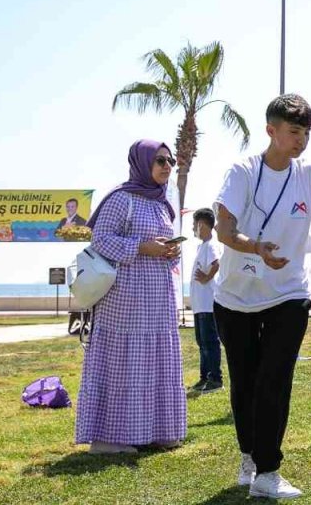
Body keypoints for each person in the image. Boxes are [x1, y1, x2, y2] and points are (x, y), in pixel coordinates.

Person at [212, 94, 311, 500]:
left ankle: (268, 471)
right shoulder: (242, 172)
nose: (301, 140)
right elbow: (223, 230)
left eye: (305, 133)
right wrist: (256, 249)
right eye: (293, 132)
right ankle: (248, 457)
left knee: (275, 378)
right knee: (245, 381)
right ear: (271, 130)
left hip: (289, 293)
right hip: (235, 296)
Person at [75, 140, 185, 454]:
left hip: (157, 299)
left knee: (156, 363)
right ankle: (109, 439)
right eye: (160, 160)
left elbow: (162, 246)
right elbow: (100, 239)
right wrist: (141, 247)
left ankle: (156, 431)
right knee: (123, 366)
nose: (167, 166)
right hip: (125, 300)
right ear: (142, 162)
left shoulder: (162, 203)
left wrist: (170, 251)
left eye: (170, 161)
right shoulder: (122, 199)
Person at [190, 207, 223, 392]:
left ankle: (215, 379)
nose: (193, 228)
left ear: (202, 225)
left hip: (208, 304)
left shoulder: (211, 245)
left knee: (210, 342)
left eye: (194, 224)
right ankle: (204, 377)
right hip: (199, 305)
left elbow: (216, 263)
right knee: (202, 343)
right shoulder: (201, 246)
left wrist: (207, 277)